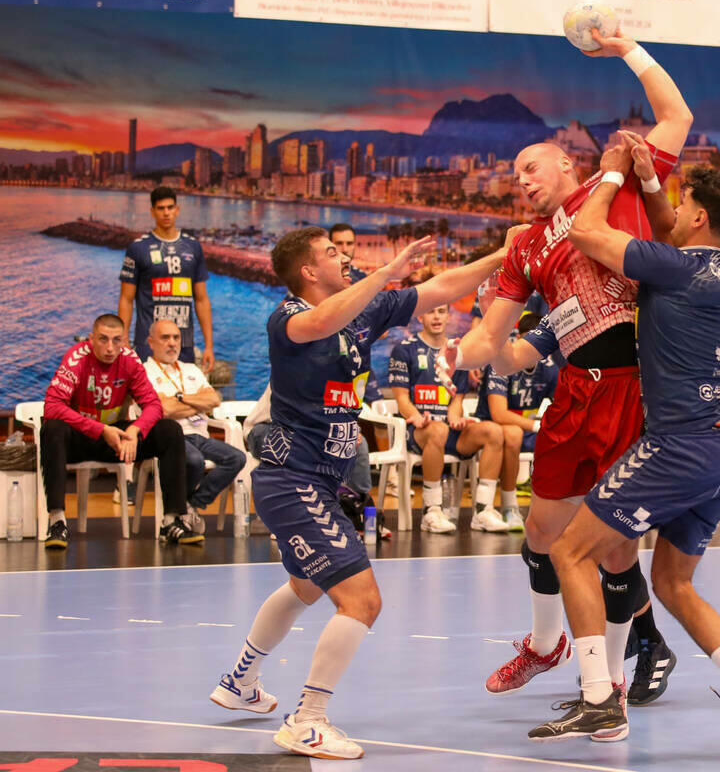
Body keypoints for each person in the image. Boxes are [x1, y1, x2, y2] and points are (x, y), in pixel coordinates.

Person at [440, 28, 692, 702]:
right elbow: (492, 338)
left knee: (611, 547)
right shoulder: (523, 245)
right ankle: (546, 647)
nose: (520, 181)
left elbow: (677, 117)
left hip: (634, 384)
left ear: (569, 167)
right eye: (514, 175)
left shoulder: (614, 198)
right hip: (575, 389)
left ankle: (607, 679)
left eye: (531, 167)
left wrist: (630, 51)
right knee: (543, 532)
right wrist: (464, 351)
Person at [207, 228, 504, 760]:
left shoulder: (364, 311)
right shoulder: (289, 319)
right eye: (331, 253)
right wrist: (385, 273)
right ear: (307, 271)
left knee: (304, 587)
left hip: (319, 480)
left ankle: (239, 682)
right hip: (291, 480)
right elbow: (323, 321)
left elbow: (442, 286)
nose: (342, 257)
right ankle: (307, 720)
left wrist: (508, 254)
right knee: (362, 601)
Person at [526, 158, 720, 755]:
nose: (668, 210)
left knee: (568, 549)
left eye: (680, 200)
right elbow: (672, 224)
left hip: (679, 446)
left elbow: (587, 232)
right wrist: (651, 180)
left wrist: (613, 176)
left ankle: (599, 702)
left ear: (698, 216)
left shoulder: (677, 267)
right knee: (672, 582)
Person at [40, 314, 200, 550]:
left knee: (170, 430)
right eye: (103, 340)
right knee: (51, 428)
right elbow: (52, 406)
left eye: (117, 341)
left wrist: (135, 430)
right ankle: (57, 522)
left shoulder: (129, 360)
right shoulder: (76, 358)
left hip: (118, 441)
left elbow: (153, 405)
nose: (110, 348)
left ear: (124, 341)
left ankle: (171, 521)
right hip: (81, 438)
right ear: (91, 339)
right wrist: (101, 429)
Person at [390, 303, 509, 533]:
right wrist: (416, 417)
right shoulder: (404, 349)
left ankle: (483, 511)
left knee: (494, 431)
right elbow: (402, 400)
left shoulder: (458, 351)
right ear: (421, 316)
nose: (436, 316)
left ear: (448, 317)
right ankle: (431, 510)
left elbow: (456, 401)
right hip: (419, 430)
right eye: (432, 310)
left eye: (441, 311)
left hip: (448, 431)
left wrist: (456, 418)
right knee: (438, 430)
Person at [143, 319, 245, 533]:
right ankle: (180, 509)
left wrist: (178, 398)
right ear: (151, 342)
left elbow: (213, 399)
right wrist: (195, 403)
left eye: (176, 338)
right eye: (165, 338)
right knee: (194, 461)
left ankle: (191, 504)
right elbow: (164, 410)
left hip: (199, 435)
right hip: (171, 438)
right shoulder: (145, 372)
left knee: (237, 458)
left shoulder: (191, 369)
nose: (172, 343)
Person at [473, 313, 560, 530]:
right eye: (528, 341)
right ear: (518, 339)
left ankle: (559, 510)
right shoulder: (501, 363)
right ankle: (508, 506)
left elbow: (562, 405)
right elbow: (499, 414)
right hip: (492, 428)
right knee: (511, 433)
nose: (533, 349)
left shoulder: (548, 367)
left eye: (539, 343)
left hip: (527, 431)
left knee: (564, 438)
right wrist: (536, 425)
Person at [118, 187, 214, 372]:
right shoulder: (138, 248)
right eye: (161, 208)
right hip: (149, 344)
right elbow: (126, 299)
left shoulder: (193, 246)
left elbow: (201, 299)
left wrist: (209, 345)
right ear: (152, 211)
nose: (166, 213)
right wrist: (123, 342)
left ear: (177, 210)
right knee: (149, 398)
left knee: (183, 398)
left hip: (183, 344)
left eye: (170, 207)